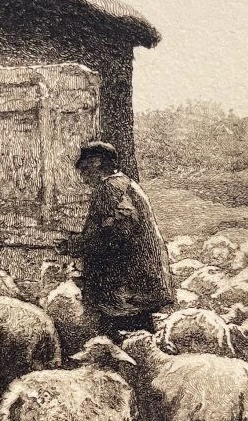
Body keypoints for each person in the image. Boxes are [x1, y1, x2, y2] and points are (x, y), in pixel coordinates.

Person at [57, 141, 174, 340]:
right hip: (138, 285)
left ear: (96, 165)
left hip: (125, 290)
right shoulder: (125, 183)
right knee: (140, 342)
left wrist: (75, 245)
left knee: (120, 343)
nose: (84, 179)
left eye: (84, 170)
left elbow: (115, 233)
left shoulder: (110, 188)